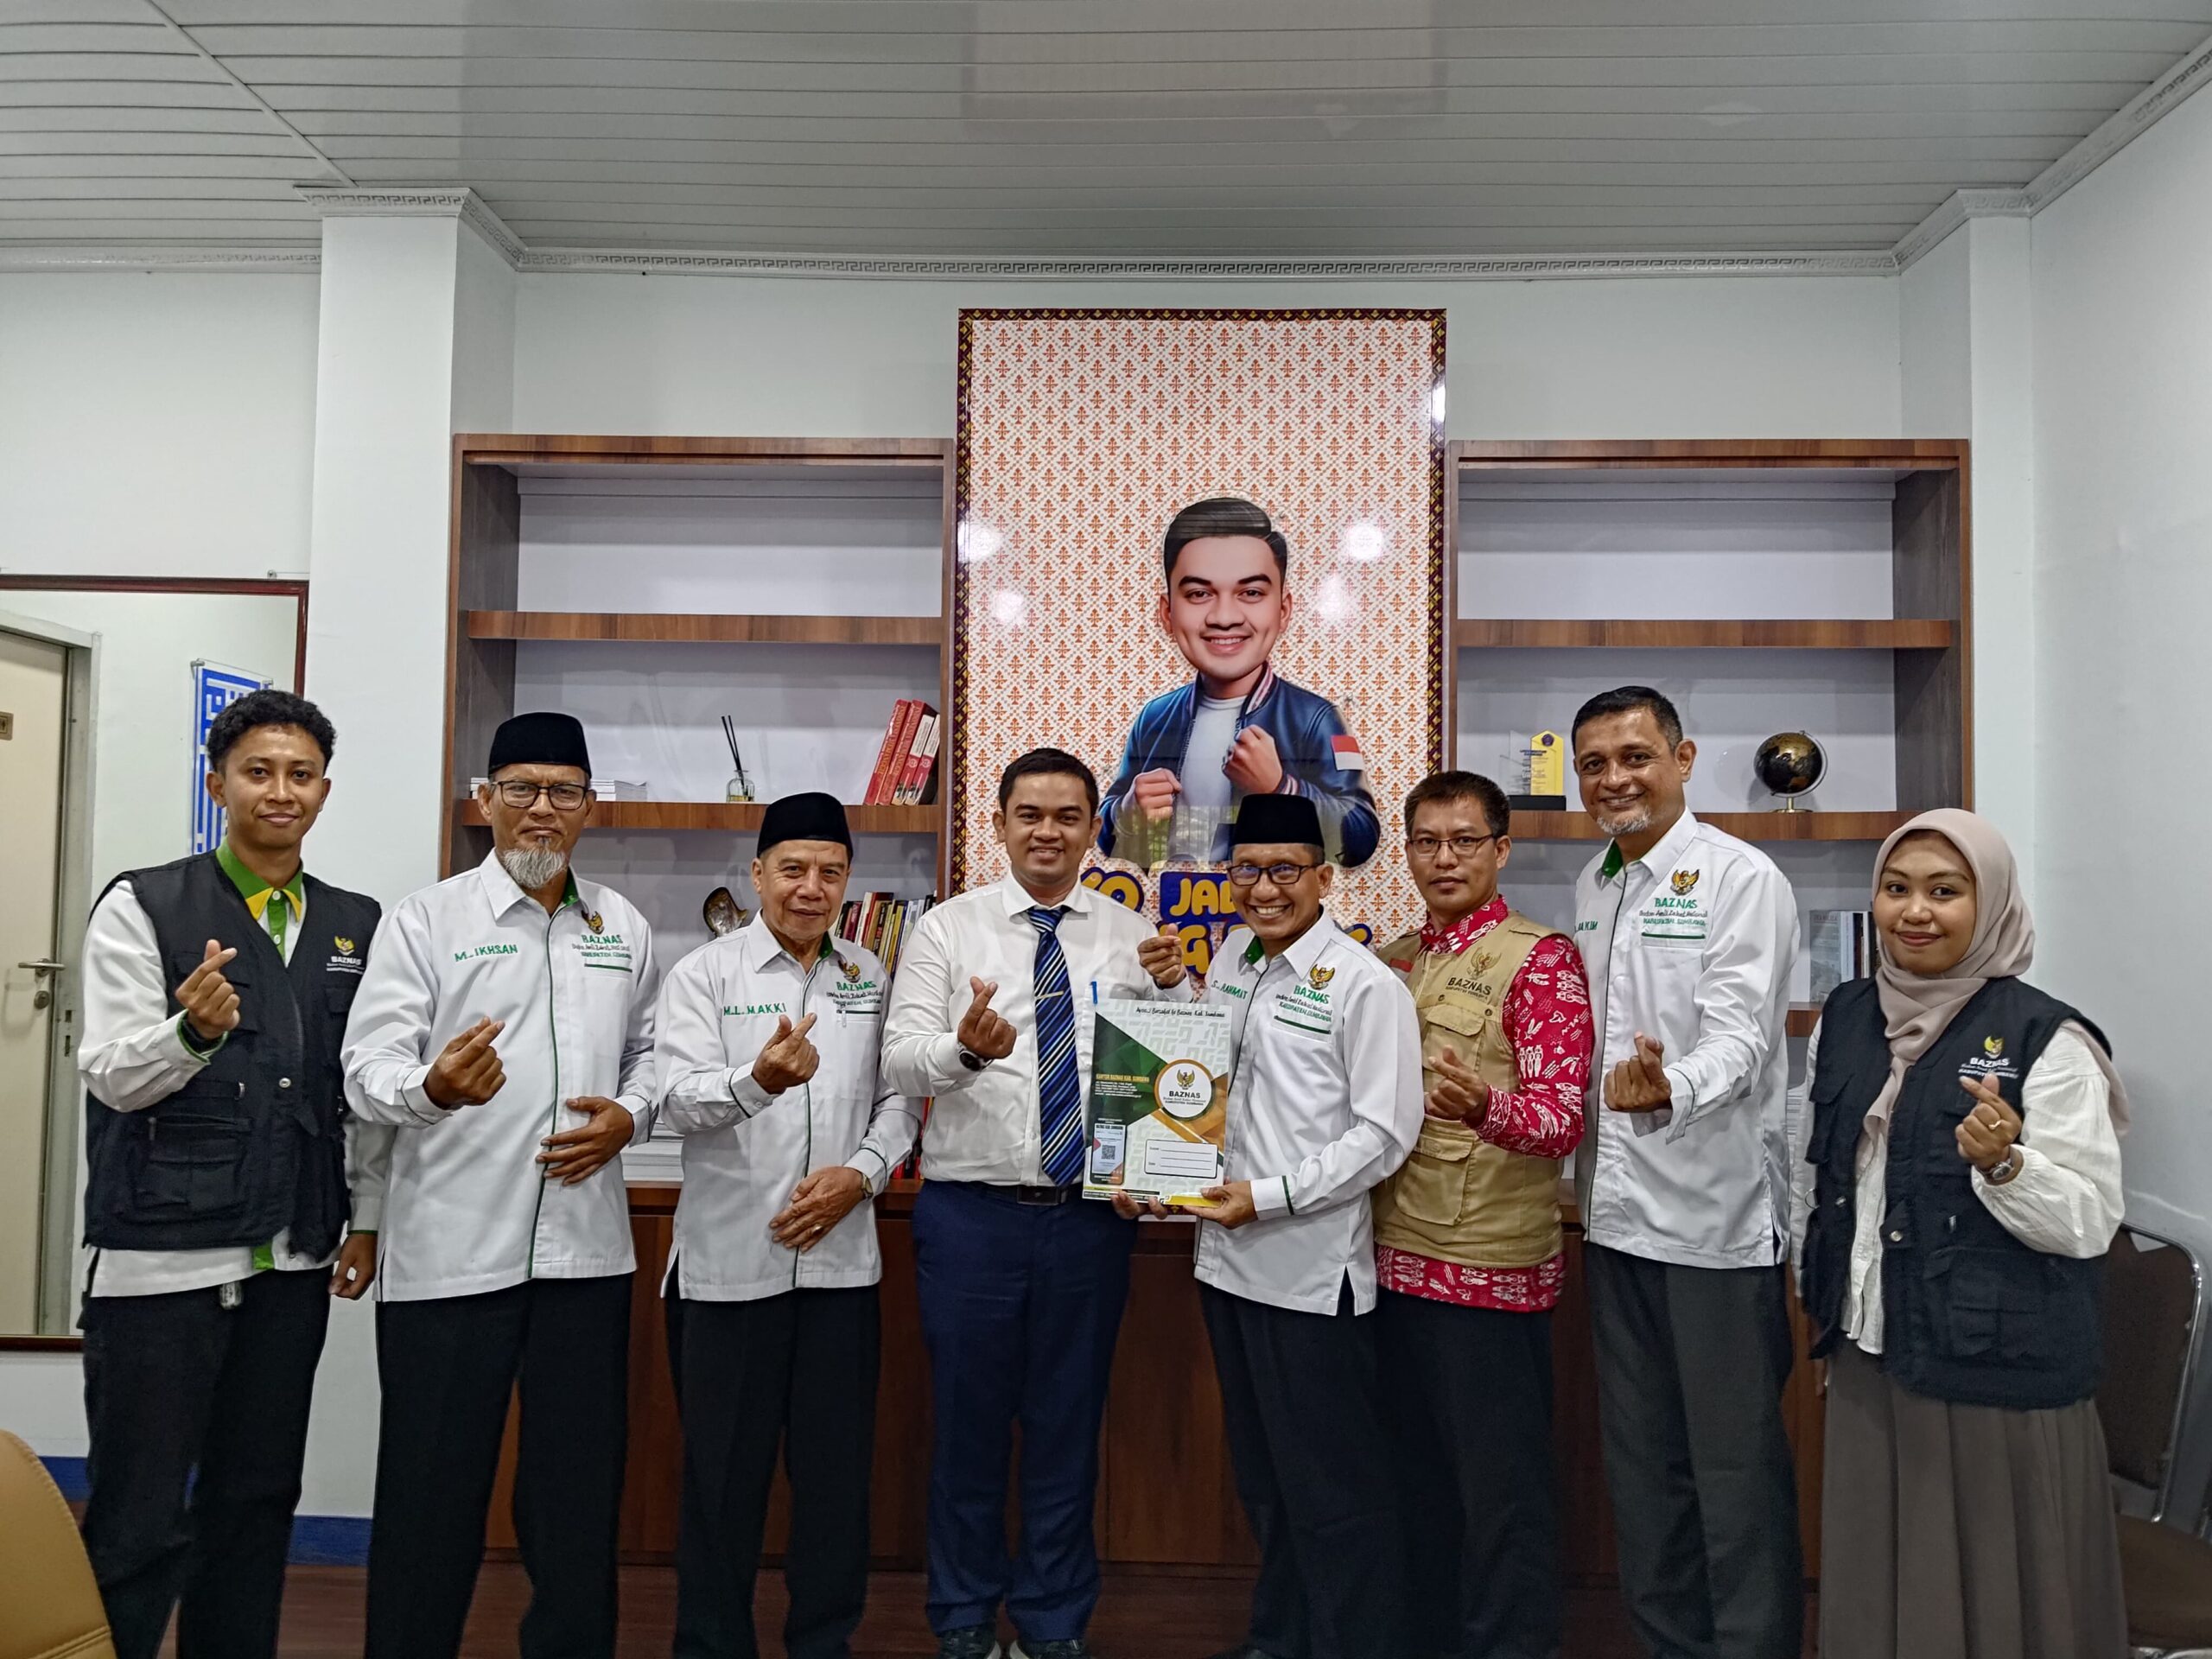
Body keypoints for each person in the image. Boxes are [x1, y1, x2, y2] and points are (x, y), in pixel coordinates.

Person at [74, 688, 385, 1659]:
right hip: (159, 1265)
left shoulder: (356, 923)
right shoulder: (143, 904)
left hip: (291, 1262)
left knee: (255, 1505)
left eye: (300, 774)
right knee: (138, 1515)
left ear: (324, 791)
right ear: (218, 786)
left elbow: (358, 1092)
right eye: (258, 772)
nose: (280, 791)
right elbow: (111, 1073)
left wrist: (367, 1215)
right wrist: (191, 1033)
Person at [341, 711, 658, 1659]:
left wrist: (630, 1114)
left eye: (564, 792)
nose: (541, 810)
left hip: (585, 1260)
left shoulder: (622, 925)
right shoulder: (426, 920)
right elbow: (365, 1069)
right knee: (430, 1496)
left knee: (577, 1499)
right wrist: (432, 1088)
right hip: (451, 1257)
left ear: (591, 808)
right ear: (485, 801)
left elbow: (653, 1054)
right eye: (520, 789)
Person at [1794, 810, 2127, 1659]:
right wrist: (1828, 1304)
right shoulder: (1848, 1015)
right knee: (1878, 1591)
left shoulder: (2047, 1038)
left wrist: (2006, 1164)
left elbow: (2090, 1220)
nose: (1915, 911)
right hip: (1871, 1361)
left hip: (1994, 1378)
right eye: (1896, 889)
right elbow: (1825, 1177)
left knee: (1994, 1605)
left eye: (1944, 892)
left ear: (1991, 905)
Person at [880, 747, 1188, 1659]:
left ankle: (1054, 1624)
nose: (1047, 833)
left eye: (1066, 817)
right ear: (1000, 824)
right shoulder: (947, 930)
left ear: (1094, 829)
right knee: (967, 1429)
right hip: (971, 1219)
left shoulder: (1133, 935)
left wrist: (1182, 988)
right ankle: (964, 1617)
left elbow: (1180, 1063)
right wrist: (964, 1050)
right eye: (1029, 815)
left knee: (1067, 1428)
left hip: (1088, 1223)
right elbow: (900, 1060)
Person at [1121, 791, 1422, 1659]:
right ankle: (1280, 1639)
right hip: (1226, 1265)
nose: (1263, 889)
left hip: (1308, 1276)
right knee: (1265, 1481)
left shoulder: (1362, 984)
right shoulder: (1236, 960)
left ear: (1323, 878)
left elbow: (1383, 1135)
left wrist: (1270, 1197)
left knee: (1333, 1492)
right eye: (1246, 871)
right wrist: (1155, 1175)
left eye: (1284, 871)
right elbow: (1212, 1090)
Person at [653, 792, 923, 1659]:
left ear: (848, 882)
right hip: (730, 1271)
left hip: (841, 1273)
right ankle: (710, 1645)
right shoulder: (705, 974)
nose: (811, 889)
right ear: (757, 874)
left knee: (835, 1483)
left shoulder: (869, 975)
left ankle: (822, 1642)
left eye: (830, 873)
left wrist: (861, 1175)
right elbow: (673, 1101)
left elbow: (898, 1103)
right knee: (721, 1486)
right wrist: (758, 1080)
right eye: (793, 870)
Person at [1569, 685, 1802, 1659]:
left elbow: (1743, 1036)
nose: (1614, 779)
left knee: (1733, 1477)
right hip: (1612, 1223)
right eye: (1594, 764)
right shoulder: (1594, 885)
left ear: (1683, 759)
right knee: (1642, 1472)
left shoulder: (1740, 878)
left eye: (1635, 757)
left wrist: (1671, 1086)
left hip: (1714, 1228)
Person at [1370, 771, 1592, 1659]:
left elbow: (1561, 1121)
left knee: (1501, 1499)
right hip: (1388, 1263)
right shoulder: (1393, 959)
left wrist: (1484, 1109)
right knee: (1414, 1487)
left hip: (1487, 1277)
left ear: (1501, 849)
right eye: (1427, 842)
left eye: (1464, 841)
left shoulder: (1541, 962)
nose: (1445, 858)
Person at [1098, 497, 1379, 869]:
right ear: (1167, 613)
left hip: (1265, 903)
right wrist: (1128, 810)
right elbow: (1105, 833)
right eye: (1199, 594)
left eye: (1251, 593)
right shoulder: (1155, 717)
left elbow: (1360, 834)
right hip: (1169, 903)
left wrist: (1281, 788)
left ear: (1283, 610)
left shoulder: (1316, 717)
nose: (1225, 617)